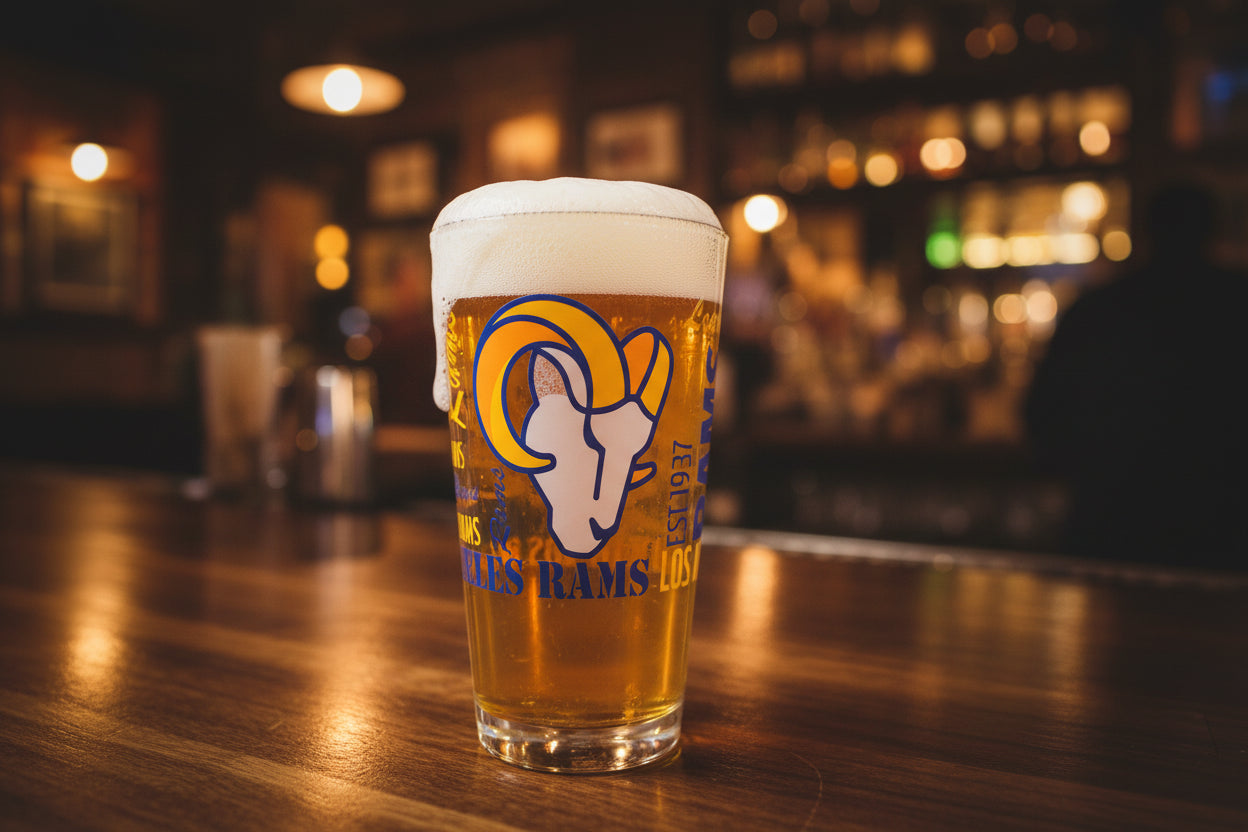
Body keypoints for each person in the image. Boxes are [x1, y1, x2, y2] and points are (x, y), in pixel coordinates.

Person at [1025, 183, 1248, 569]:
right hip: (1225, 528)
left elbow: (1041, 415)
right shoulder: (1236, 303)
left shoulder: (1099, 310)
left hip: (1112, 524)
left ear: (1144, 232)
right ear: (1214, 230)